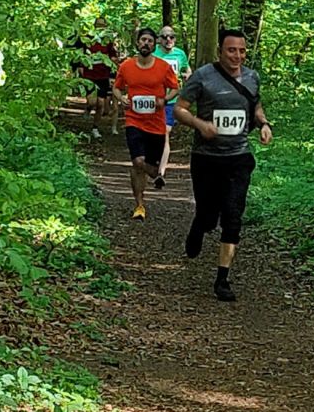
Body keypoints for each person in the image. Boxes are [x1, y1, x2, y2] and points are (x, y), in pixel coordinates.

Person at [174, 28, 272, 302]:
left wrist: (264, 124)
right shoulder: (203, 76)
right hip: (206, 158)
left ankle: (222, 279)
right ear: (220, 51)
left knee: (233, 216)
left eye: (242, 51)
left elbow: (255, 106)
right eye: (231, 50)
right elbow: (180, 108)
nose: (237, 56)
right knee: (208, 216)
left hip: (238, 158)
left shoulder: (252, 77)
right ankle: (199, 225)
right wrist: (199, 124)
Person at [113, 28, 181, 219]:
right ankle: (139, 205)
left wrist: (164, 100)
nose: (146, 43)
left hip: (156, 124)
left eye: (150, 41)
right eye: (143, 40)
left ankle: (156, 174)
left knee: (149, 165)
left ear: (154, 44)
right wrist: (122, 98)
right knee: (137, 162)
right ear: (137, 42)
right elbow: (117, 88)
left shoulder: (163, 67)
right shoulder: (126, 66)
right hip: (134, 120)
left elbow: (174, 88)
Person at [151, 25, 192, 189]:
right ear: (159, 39)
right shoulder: (153, 53)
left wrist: (187, 76)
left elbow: (187, 70)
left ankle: (161, 173)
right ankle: (152, 163)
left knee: (165, 132)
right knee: (152, 133)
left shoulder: (180, 54)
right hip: (153, 100)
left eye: (172, 37)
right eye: (165, 37)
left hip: (171, 100)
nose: (169, 40)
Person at [79, 17, 119, 138]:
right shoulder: (88, 39)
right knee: (92, 101)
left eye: (103, 26)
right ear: (94, 26)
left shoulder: (108, 41)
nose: (100, 28)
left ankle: (95, 128)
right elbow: (80, 55)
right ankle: (88, 108)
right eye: (98, 26)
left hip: (103, 75)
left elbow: (113, 56)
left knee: (101, 103)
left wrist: (113, 64)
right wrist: (81, 69)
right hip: (89, 75)